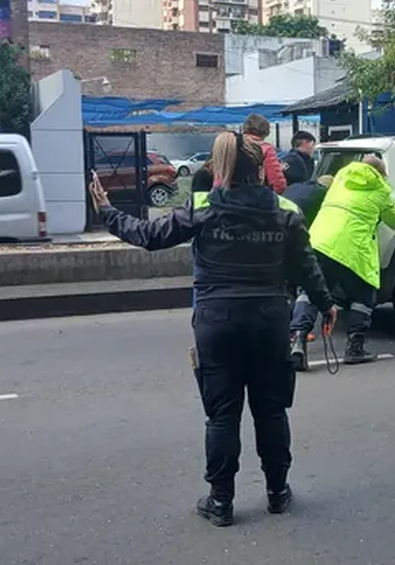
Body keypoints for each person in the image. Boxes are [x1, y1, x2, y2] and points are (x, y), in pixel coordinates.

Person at [89, 132, 336, 527]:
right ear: (259, 169)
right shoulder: (285, 211)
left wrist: (107, 210)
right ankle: (277, 492)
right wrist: (325, 305)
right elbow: (306, 267)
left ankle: (221, 502)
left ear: (219, 168)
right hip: (270, 320)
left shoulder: (202, 208)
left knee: (222, 416)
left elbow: (149, 236)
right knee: (271, 411)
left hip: (216, 321)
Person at [288, 154, 395, 370]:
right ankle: (355, 347)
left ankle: (298, 341)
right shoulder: (381, 190)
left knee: (309, 292)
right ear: (381, 174)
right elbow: (393, 221)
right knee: (364, 295)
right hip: (353, 249)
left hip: (320, 242)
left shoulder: (339, 179)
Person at [215, 114, 287, 193]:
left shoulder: (230, 143)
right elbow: (276, 180)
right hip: (253, 195)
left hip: (224, 193)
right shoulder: (266, 149)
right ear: (266, 131)